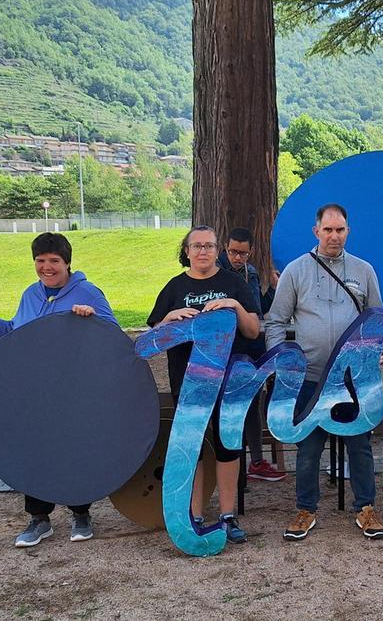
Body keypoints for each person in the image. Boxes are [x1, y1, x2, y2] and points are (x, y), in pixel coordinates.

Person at [0, 232, 116, 548]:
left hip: (74, 387)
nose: (47, 266)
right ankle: (39, 519)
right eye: (40, 260)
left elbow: (112, 334)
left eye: (54, 260)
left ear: (67, 262)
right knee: (36, 449)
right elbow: (14, 333)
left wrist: (92, 317)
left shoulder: (87, 292)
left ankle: (81, 513)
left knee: (72, 447)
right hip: (35, 388)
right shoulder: (31, 295)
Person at [265, 203, 383, 541]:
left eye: (341, 230)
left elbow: (377, 320)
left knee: (359, 445)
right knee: (307, 448)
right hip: (310, 378)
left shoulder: (364, 271)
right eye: (329, 230)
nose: (335, 236)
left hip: (351, 379)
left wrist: (377, 352)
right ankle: (306, 509)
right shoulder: (295, 271)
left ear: (348, 231)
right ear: (316, 231)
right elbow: (275, 321)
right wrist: (282, 362)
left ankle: (365, 507)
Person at [147, 225, 260, 544]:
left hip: (228, 379)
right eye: (196, 246)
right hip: (189, 381)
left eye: (209, 246)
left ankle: (227, 516)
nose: (202, 252)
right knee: (193, 449)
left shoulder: (233, 282)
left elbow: (253, 331)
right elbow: (153, 340)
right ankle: (193, 515)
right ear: (186, 251)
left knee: (227, 447)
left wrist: (234, 306)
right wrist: (169, 317)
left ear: (217, 250)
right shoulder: (174, 287)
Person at [220, 227, 285, 482]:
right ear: (226, 248)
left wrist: (274, 290)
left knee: (254, 402)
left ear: (250, 252)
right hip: (229, 347)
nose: (238, 258)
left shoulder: (252, 272)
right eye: (234, 252)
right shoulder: (218, 274)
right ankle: (233, 465)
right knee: (231, 406)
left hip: (252, 345)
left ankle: (256, 462)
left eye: (243, 253)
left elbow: (258, 309)